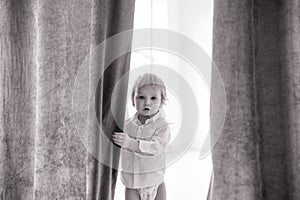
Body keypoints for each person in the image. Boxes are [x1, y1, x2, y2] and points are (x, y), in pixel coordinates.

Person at [112, 73, 171, 200]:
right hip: (132, 184)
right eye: (141, 97)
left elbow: (155, 147)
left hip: (155, 181)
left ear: (162, 102)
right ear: (133, 100)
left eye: (153, 98)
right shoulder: (126, 125)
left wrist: (131, 143)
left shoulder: (162, 126)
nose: (147, 102)